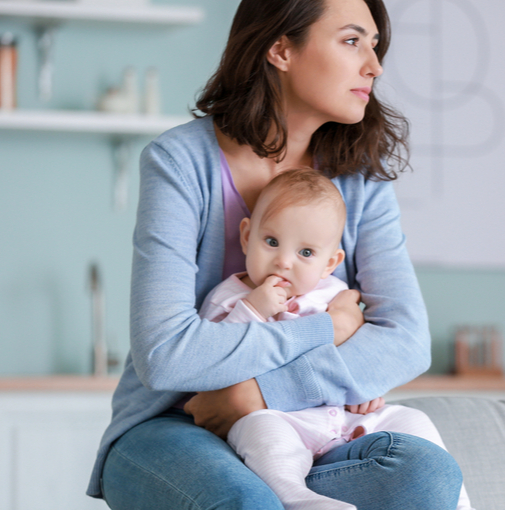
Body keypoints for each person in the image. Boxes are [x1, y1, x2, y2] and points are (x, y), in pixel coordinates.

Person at [90, 0, 470, 508]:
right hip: (177, 425)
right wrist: (326, 330)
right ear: (280, 48)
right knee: (247, 503)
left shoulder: (359, 180)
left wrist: (257, 394)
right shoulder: (180, 162)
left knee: (425, 474)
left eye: (375, 46)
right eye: (352, 41)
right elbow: (165, 356)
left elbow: (406, 341)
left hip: (308, 424)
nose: (375, 66)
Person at [199, 167, 466, 510]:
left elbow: (368, 349)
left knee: (414, 421)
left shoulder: (335, 296)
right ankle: (296, 497)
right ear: (246, 236)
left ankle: (461, 504)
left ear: (331, 263)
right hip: (280, 417)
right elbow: (211, 358)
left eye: (305, 253)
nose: (283, 262)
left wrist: (366, 384)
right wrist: (254, 310)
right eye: (271, 242)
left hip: (343, 418)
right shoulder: (229, 298)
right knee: (262, 435)